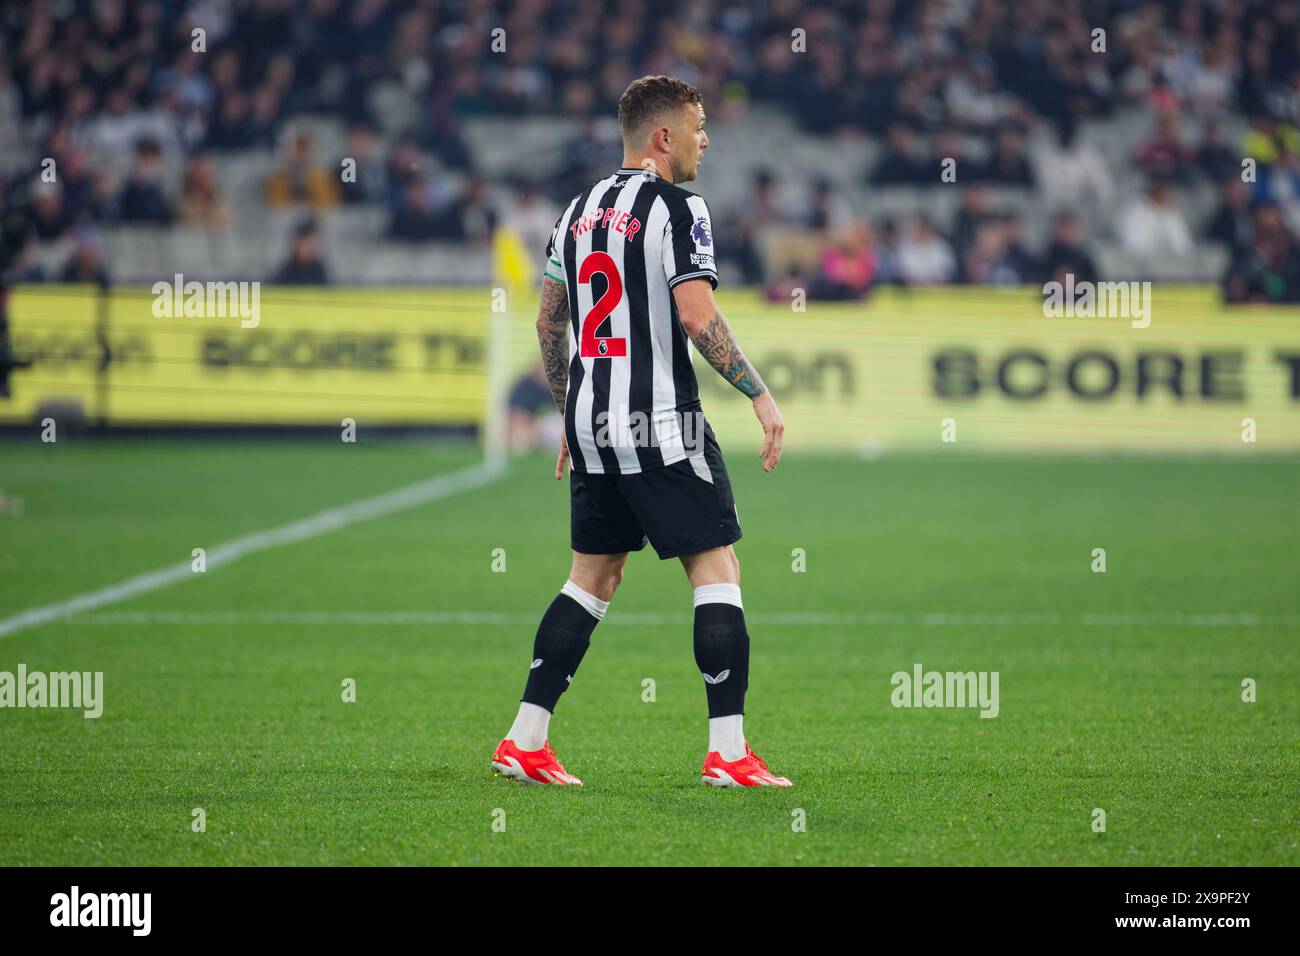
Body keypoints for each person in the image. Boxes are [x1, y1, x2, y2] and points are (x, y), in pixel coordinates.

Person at [490, 75, 791, 788]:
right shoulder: (681, 208)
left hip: (593, 420)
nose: (705, 139)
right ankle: (728, 751)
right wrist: (759, 391)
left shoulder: (577, 210)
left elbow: (548, 322)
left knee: (592, 577)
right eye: (698, 125)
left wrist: (566, 412)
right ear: (663, 137)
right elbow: (696, 317)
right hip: (662, 421)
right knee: (717, 573)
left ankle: (524, 740)